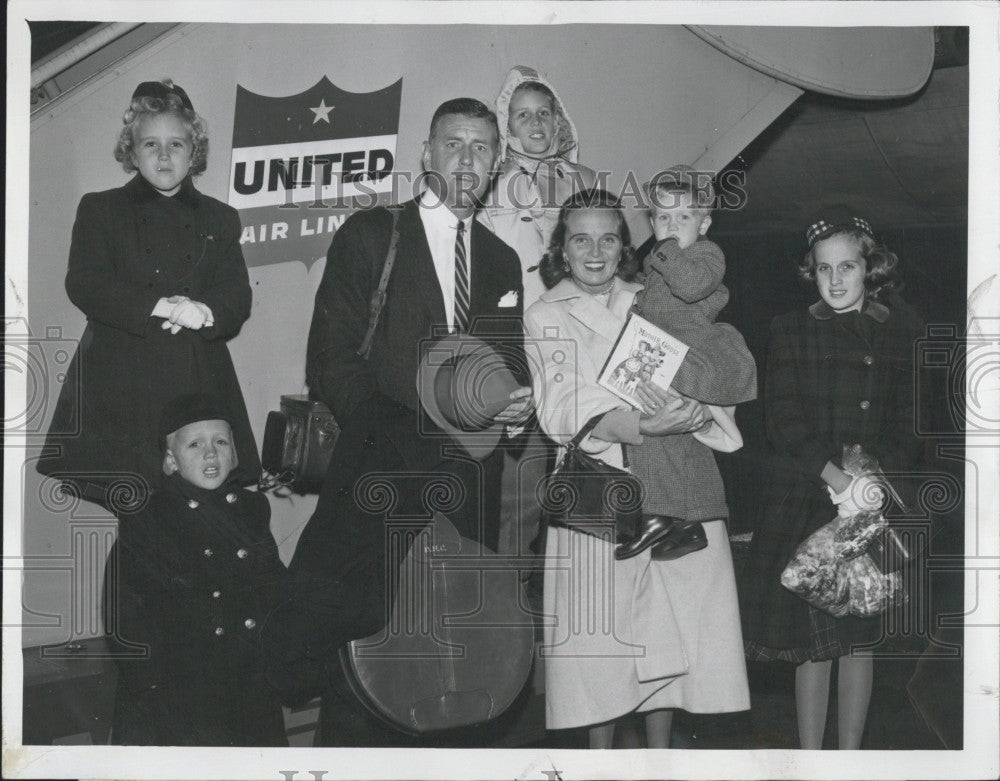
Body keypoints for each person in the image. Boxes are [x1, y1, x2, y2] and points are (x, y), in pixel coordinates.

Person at [277, 98, 533, 746]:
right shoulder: (372, 234)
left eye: (482, 147)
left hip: (468, 492)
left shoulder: (503, 262)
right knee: (364, 672)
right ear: (425, 154)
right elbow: (330, 360)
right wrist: (399, 435)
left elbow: (499, 366)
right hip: (382, 480)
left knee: (453, 672)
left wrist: (514, 406)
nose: (468, 159)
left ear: (497, 161)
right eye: (454, 143)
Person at [524, 190, 749, 749]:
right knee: (601, 657)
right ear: (563, 249)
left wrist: (697, 409)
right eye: (581, 239)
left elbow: (709, 364)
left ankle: (659, 760)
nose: (595, 251)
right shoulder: (545, 313)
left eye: (608, 238)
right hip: (598, 493)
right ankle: (600, 764)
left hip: (675, 484)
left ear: (626, 245)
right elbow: (559, 406)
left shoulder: (655, 298)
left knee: (672, 647)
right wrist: (639, 425)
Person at [740, 207, 925, 749]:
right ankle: (811, 759)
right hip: (807, 497)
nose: (837, 279)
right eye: (825, 269)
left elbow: (910, 423)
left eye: (848, 267)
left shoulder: (900, 331)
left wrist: (872, 477)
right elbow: (784, 422)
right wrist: (837, 478)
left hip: (875, 501)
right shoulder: (791, 330)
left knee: (859, 637)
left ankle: (850, 759)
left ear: (871, 269)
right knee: (812, 643)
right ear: (811, 273)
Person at [37, 79, 260, 510]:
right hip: (123, 384)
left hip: (197, 381)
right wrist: (158, 306)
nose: (163, 156)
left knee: (199, 510)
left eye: (176, 144)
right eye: (150, 144)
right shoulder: (101, 209)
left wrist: (207, 310)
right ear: (131, 151)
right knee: (139, 515)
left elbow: (237, 294)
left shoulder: (221, 217)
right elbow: (84, 281)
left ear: (193, 153)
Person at [106, 393, 289, 745]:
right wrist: (151, 686)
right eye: (195, 444)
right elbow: (123, 613)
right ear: (170, 461)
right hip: (175, 695)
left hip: (245, 686)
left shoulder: (251, 510)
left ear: (234, 454)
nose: (210, 453)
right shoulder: (148, 519)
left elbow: (273, 583)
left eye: (221, 441)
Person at [616, 165, 757, 560]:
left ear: (705, 222)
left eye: (684, 217)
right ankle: (680, 521)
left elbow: (693, 285)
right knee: (660, 437)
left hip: (689, 354)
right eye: (663, 217)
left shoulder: (705, 252)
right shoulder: (662, 258)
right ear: (652, 220)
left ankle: (667, 515)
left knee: (662, 432)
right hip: (662, 352)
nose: (673, 226)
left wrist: (664, 251)